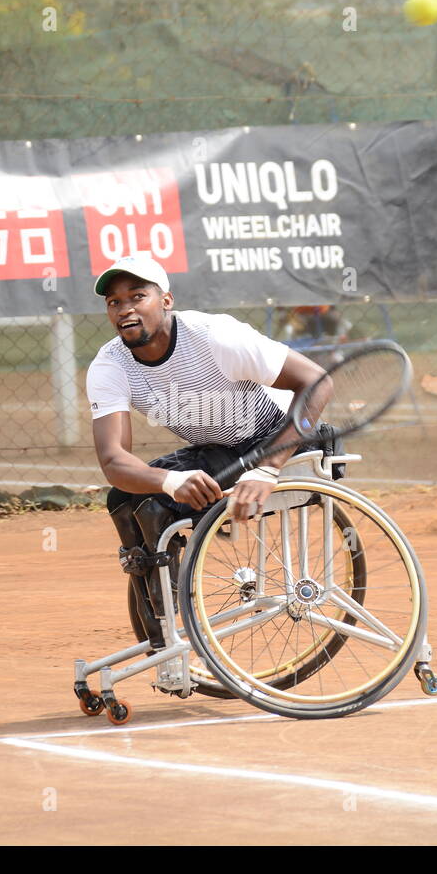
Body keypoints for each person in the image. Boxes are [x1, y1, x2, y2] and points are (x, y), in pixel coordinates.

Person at [86, 252, 335, 651]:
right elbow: (113, 460)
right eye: (114, 302)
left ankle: (177, 627)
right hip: (217, 450)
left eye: (137, 296)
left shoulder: (214, 337)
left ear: (166, 301)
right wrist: (171, 480)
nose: (125, 309)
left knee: (155, 508)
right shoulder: (110, 365)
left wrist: (268, 468)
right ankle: (161, 630)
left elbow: (316, 381)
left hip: (273, 436)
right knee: (123, 497)